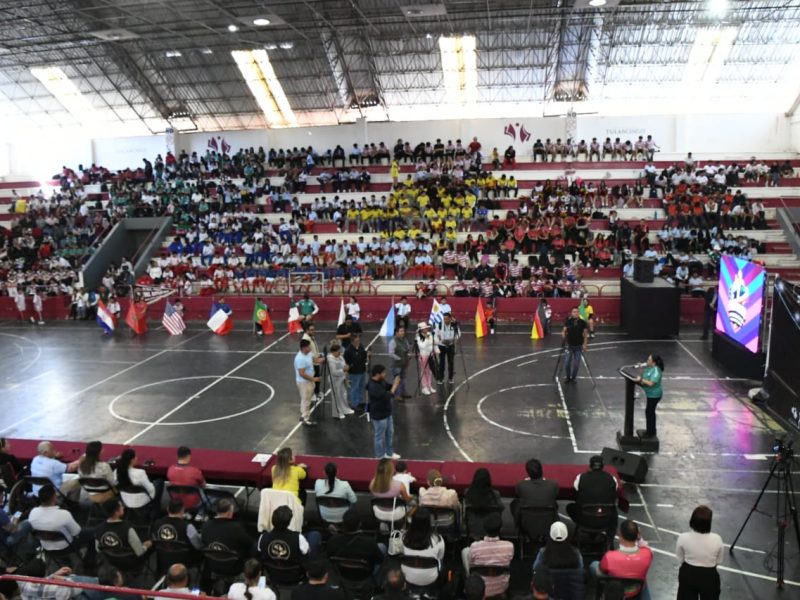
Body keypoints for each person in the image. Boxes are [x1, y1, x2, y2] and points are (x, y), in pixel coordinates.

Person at [591, 520, 653, 600]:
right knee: (644, 579)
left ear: (620, 535)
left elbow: (601, 570)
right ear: (637, 535)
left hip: (615, 591)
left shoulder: (609, 556)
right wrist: (640, 538)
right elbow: (646, 546)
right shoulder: (647, 554)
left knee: (593, 565)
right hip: (635, 590)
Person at [676, 505, 724, 600]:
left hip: (688, 573)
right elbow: (719, 561)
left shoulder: (683, 537)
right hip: (709, 576)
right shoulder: (717, 539)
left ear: (692, 520)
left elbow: (680, 558)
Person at [567, 455, 618, 543]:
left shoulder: (581, 477)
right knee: (614, 512)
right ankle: (610, 541)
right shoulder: (612, 479)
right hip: (605, 519)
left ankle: (580, 535)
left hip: (584, 519)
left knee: (570, 507)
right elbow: (614, 490)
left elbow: (576, 489)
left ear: (590, 466)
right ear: (603, 466)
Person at [461, 512, 514, 597]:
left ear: (484, 529)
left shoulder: (475, 546)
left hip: (478, 588)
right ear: (501, 529)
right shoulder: (509, 546)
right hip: (501, 587)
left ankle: (470, 581)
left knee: (465, 551)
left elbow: (471, 565)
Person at [327, 508, 385, 576]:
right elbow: (379, 560)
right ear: (360, 524)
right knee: (382, 546)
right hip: (364, 575)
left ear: (343, 524)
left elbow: (330, 558)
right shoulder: (370, 542)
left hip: (343, 573)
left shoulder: (333, 540)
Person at [201, 498, 253, 568]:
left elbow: (204, 542)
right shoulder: (236, 528)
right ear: (229, 513)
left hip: (212, 564)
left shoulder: (206, 526)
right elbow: (249, 544)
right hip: (233, 567)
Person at [400, 508, 444, 587]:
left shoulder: (403, 538)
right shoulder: (438, 540)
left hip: (407, 577)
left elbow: (400, 554)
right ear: (428, 522)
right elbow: (440, 557)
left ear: (413, 522)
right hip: (431, 578)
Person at [367, 364, 401, 459]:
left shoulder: (381, 380)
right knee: (379, 436)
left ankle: (389, 453)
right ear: (378, 374)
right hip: (379, 415)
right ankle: (380, 456)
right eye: (383, 373)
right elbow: (386, 397)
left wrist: (394, 384)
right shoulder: (373, 386)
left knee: (389, 433)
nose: (385, 374)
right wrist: (394, 387)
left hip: (387, 412)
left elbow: (388, 387)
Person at [115, 448, 162, 518]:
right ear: (132, 460)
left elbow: (114, 483)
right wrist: (152, 484)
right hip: (140, 501)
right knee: (159, 482)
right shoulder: (140, 473)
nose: (137, 458)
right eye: (135, 457)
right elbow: (151, 489)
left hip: (125, 500)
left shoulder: (117, 472)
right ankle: (155, 512)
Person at [369, 459, 412, 524]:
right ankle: (403, 525)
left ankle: (384, 523)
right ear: (391, 470)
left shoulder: (372, 484)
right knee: (414, 502)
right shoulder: (400, 485)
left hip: (379, 513)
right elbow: (407, 500)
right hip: (395, 514)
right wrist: (411, 497)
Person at [166, 445, 207, 512]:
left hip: (177, 501)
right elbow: (204, 486)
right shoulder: (195, 471)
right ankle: (200, 513)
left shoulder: (170, 470)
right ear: (189, 456)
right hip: (192, 503)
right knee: (211, 493)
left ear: (177, 456)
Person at [636, 354, 664, 439]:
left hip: (654, 395)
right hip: (650, 394)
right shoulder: (649, 368)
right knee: (649, 412)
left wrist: (641, 380)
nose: (647, 361)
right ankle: (650, 431)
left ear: (653, 362)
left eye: (649, 360)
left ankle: (651, 432)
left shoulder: (656, 371)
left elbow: (651, 383)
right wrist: (640, 368)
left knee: (650, 412)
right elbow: (643, 376)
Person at [295, 338, 322, 426]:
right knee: (306, 400)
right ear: (303, 348)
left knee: (306, 399)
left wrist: (323, 359)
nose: (310, 348)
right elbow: (302, 373)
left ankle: (303, 414)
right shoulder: (300, 359)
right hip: (304, 383)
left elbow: (315, 360)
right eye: (308, 347)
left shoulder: (309, 353)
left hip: (309, 381)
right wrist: (313, 379)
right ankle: (305, 418)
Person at [326, 343, 354, 419]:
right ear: (333, 352)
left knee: (343, 395)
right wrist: (343, 370)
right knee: (336, 397)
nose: (340, 353)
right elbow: (333, 372)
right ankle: (337, 413)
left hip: (342, 379)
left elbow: (344, 364)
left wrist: (346, 367)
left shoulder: (340, 357)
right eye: (338, 351)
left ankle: (345, 409)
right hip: (334, 380)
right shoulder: (330, 359)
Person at [562, 306, 588, 383]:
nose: (576, 313)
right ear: (571, 313)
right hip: (569, 346)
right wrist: (563, 335)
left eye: (577, 312)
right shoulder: (568, 321)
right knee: (567, 363)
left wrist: (585, 344)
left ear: (578, 313)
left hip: (578, 346)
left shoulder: (583, 322)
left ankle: (573, 378)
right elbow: (564, 331)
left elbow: (585, 334)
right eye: (574, 312)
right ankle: (568, 377)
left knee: (576, 364)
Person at [344, 332, 369, 410]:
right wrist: (348, 370)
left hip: (362, 370)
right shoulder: (348, 350)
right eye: (356, 341)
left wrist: (367, 356)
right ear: (352, 341)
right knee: (354, 388)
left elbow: (364, 356)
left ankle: (360, 402)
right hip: (354, 373)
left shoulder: (361, 346)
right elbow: (346, 362)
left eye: (358, 340)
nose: (358, 342)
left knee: (361, 387)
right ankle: (355, 404)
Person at [433, 312, 460, 384]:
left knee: (451, 362)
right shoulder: (439, 324)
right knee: (441, 363)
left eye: (447, 319)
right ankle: (441, 378)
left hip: (451, 345)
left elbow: (459, 334)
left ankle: (450, 378)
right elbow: (435, 335)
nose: (445, 320)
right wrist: (439, 339)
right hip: (442, 346)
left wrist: (453, 339)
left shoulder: (454, 325)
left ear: (450, 318)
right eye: (444, 319)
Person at [388, 325, 412, 401]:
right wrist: (399, 358)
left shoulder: (405, 340)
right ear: (396, 332)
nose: (403, 332)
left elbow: (407, 348)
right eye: (401, 331)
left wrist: (408, 354)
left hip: (404, 363)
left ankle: (403, 392)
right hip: (396, 365)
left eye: (403, 331)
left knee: (403, 379)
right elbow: (391, 353)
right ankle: (397, 395)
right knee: (397, 380)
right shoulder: (393, 342)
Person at [415, 322, 438, 395]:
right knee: (424, 371)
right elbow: (423, 346)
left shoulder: (429, 334)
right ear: (421, 330)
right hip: (423, 356)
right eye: (424, 328)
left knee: (429, 372)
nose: (426, 329)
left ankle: (429, 386)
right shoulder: (418, 337)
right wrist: (428, 340)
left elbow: (436, 342)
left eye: (426, 328)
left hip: (430, 355)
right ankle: (424, 387)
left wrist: (432, 338)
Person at [302, 323, 323, 400]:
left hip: (316, 362)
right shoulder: (305, 339)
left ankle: (317, 392)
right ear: (307, 330)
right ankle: (311, 395)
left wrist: (318, 355)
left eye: (314, 330)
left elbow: (313, 349)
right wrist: (316, 359)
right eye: (311, 330)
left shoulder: (311, 337)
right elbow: (307, 353)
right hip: (311, 363)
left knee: (317, 378)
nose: (313, 331)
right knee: (312, 380)